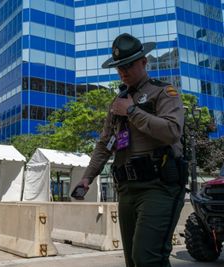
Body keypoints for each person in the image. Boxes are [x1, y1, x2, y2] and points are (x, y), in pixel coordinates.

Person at [74, 33, 187, 267]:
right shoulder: (117, 103)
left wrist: (133, 111)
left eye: (128, 65)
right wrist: (86, 179)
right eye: (118, 67)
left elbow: (172, 131)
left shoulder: (164, 92)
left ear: (144, 62)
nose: (123, 71)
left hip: (158, 187)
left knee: (147, 257)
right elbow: (105, 144)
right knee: (133, 261)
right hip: (127, 190)